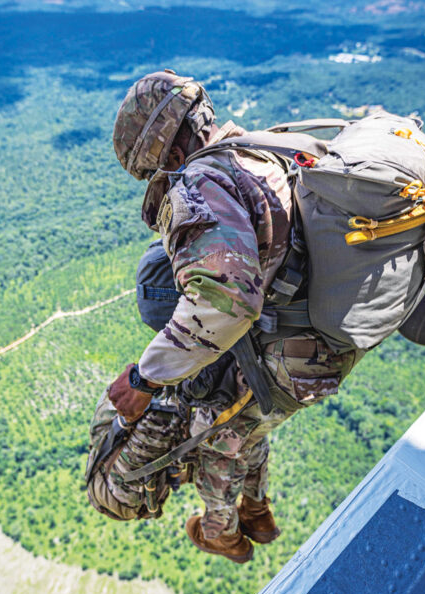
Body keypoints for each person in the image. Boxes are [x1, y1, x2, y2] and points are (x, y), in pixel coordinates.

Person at [104, 70, 363, 564]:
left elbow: (224, 303)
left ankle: (223, 532)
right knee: (249, 425)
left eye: (154, 172)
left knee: (216, 437)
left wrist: (144, 378)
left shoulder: (198, 185)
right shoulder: (259, 151)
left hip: (289, 358)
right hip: (324, 341)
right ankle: (257, 509)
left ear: (170, 156)